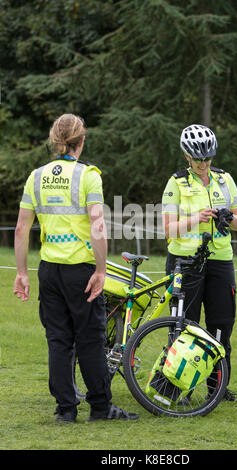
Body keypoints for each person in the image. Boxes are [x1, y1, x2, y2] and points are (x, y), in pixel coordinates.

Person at [14, 113, 138, 423]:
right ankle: (100, 407)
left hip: (49, 271)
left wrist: (22, 273)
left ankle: (65, 410)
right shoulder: (89, 176)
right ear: (81, 142)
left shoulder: (36, 176)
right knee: (91, 339)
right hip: (81, 271)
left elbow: (20, 230)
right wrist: (101, 270)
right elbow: (98, 225)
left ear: (55, 141)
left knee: (58, 340)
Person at [162, 124, 237, 401]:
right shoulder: (176, 183)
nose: (203, 164)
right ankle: (179, 389)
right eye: (198, 159)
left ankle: (216, 389)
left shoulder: (225, 180)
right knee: (185, 327)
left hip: (220, 260)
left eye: (207, 158)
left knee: (221, 325)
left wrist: (228, 218)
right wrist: (197, 218)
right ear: (186, 156)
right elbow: (168, 230)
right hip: (185, 262)